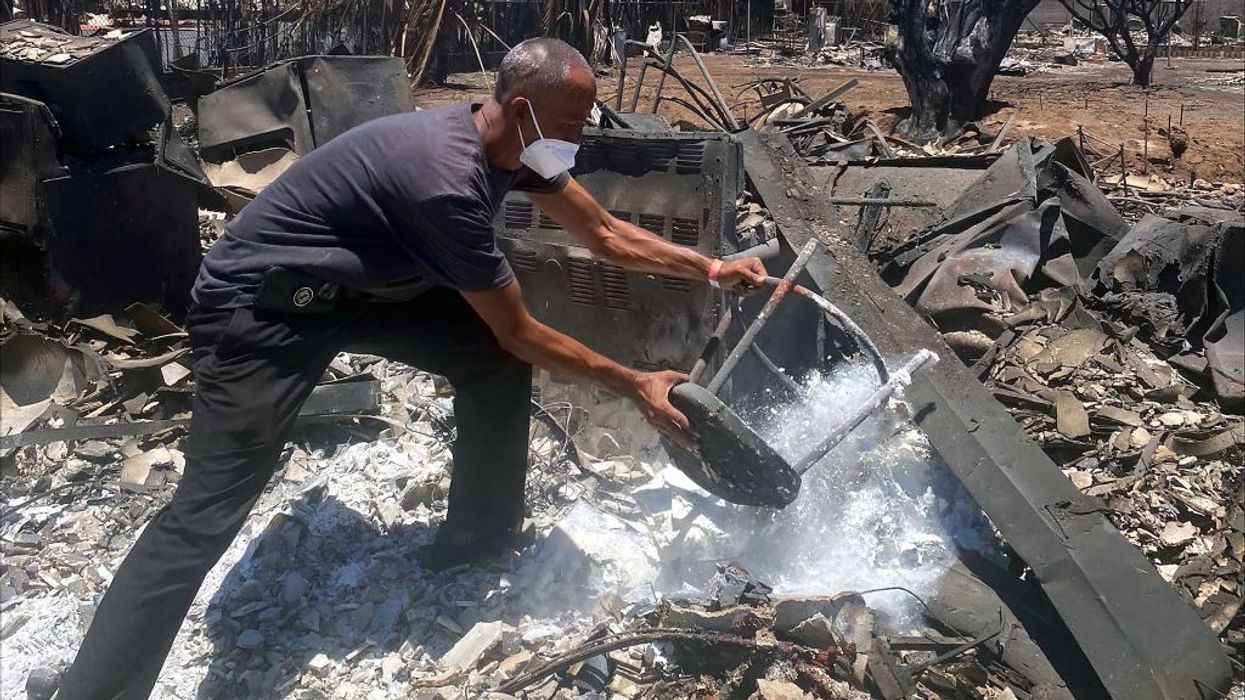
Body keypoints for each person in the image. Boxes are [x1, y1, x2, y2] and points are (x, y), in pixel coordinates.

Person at [58, 37, 766, 699]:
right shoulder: (444, 182)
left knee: (486, 360)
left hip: (358, 288)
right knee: (205, 513)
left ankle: (476, 539)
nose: (584, 131)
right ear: (522, 109)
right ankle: (95, 688)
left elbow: (604, 232)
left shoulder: (520, 148)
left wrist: (708, 266)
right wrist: (635, 384)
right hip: (261, 308)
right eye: (575, 117)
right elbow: (520, 330)